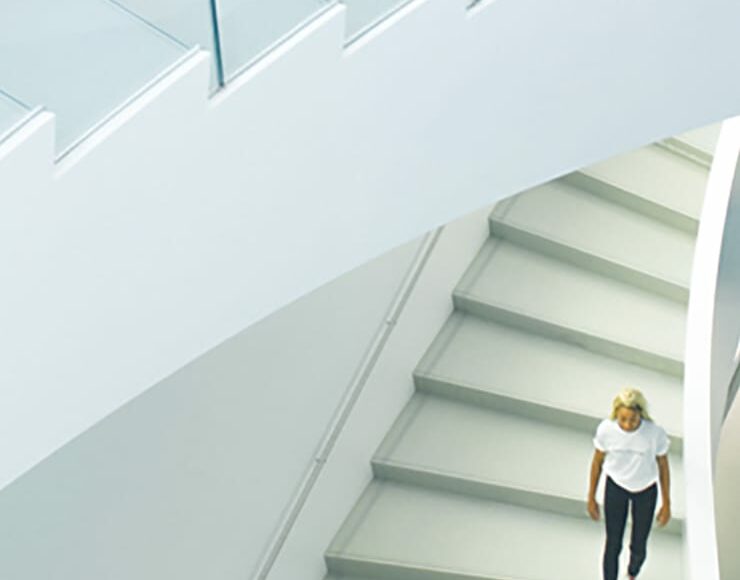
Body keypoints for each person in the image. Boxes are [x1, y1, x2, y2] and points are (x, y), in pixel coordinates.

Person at [586, 387, 672, 580]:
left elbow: (663, 466)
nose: (627, 424)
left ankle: (632, 572)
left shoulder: (654, 433)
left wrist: (667, 503)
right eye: (622, 419)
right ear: (616, 414)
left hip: (645, 490)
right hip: (616, 487)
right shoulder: (606, 430)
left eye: (632, 420)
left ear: (640, 415)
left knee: (639, 545)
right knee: (613, 543)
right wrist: (591, 496)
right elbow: (597, 462)